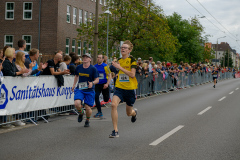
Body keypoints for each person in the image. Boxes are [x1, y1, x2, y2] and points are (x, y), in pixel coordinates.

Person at [109, 40, 138, 138]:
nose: (122, 49)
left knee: (128, 113)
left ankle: (134, 113)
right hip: (119, 87)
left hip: (130, 89)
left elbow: (132, 75)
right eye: (122, 47)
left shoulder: (132, 60)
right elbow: (112, 71)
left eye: (125, 47)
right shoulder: (118, 60)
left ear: (129, 50)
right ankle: (115, 131)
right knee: (113, 105)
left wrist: (119, 67)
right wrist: (113, 68)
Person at [71, 53, 99, 127]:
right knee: (77, 103)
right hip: (80, 88)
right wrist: (74, 84)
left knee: (88, 108)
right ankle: (81, 113)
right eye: (84, 57)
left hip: (89, 90)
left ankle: (87, 120)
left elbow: (97, 80)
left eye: (87, 57)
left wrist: (92, 83)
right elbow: (76, 76)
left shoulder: (93, 69)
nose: (85, 58)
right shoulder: (79, 67)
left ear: (90, 59)